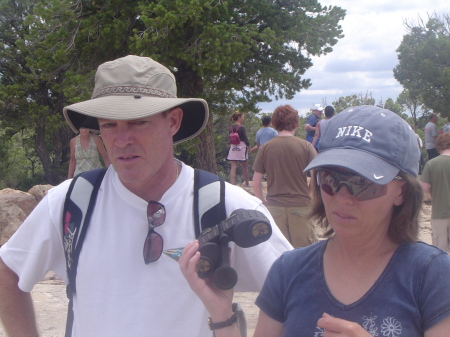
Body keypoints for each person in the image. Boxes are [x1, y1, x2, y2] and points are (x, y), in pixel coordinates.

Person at [0, 55, 292, 337]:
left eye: (139, 122)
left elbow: (297, 292)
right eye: (109, 124)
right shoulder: (71, 203)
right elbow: (8, 271)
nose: (122, 140)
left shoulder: (225, 206)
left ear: (173, 122)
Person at [180, 105, 450, 337]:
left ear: (402, 191)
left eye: (363, 184)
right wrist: (222, 315)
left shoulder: (431, 275)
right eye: (330, 180)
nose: (343, 198)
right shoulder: (289, 270)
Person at [252, 105, 318, 247]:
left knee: (279, 255)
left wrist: (263, 201)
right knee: (304, 255)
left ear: (274, 124)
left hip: (275, 207)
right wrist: (309, 192)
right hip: (301, 206)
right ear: (296, 123)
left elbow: (256, 181)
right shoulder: (306, 146)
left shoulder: (265, 148)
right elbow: (316, 176)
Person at [421, 133, 450, 253]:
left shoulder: (431, 164)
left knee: (440, 252)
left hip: (439, 212)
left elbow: (425, 188)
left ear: (439, 146)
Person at [226, 111, 250, 188]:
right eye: (242, 117)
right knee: (245, 167)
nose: (243, 118)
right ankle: (247, 184)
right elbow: (245, 138)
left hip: (233, 147)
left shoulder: (230, 127)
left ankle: (232, 185)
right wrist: (249, 146)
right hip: (242, 147)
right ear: (239, 117)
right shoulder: (242, 127)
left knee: (233, 167)